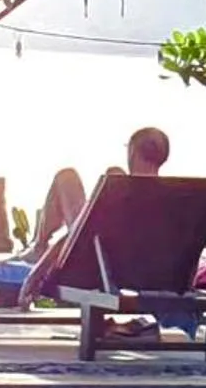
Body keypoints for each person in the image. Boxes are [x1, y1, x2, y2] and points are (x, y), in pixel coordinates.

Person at [12, 128, 172, 310]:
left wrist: (37, 272)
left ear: (132, 152)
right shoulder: (173, 199)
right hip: (135, 271)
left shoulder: (124, 189)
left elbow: (83, 231)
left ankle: (39, 244)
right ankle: (38, 245)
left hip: (94, 266)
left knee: (66, 177)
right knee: (110, 177)